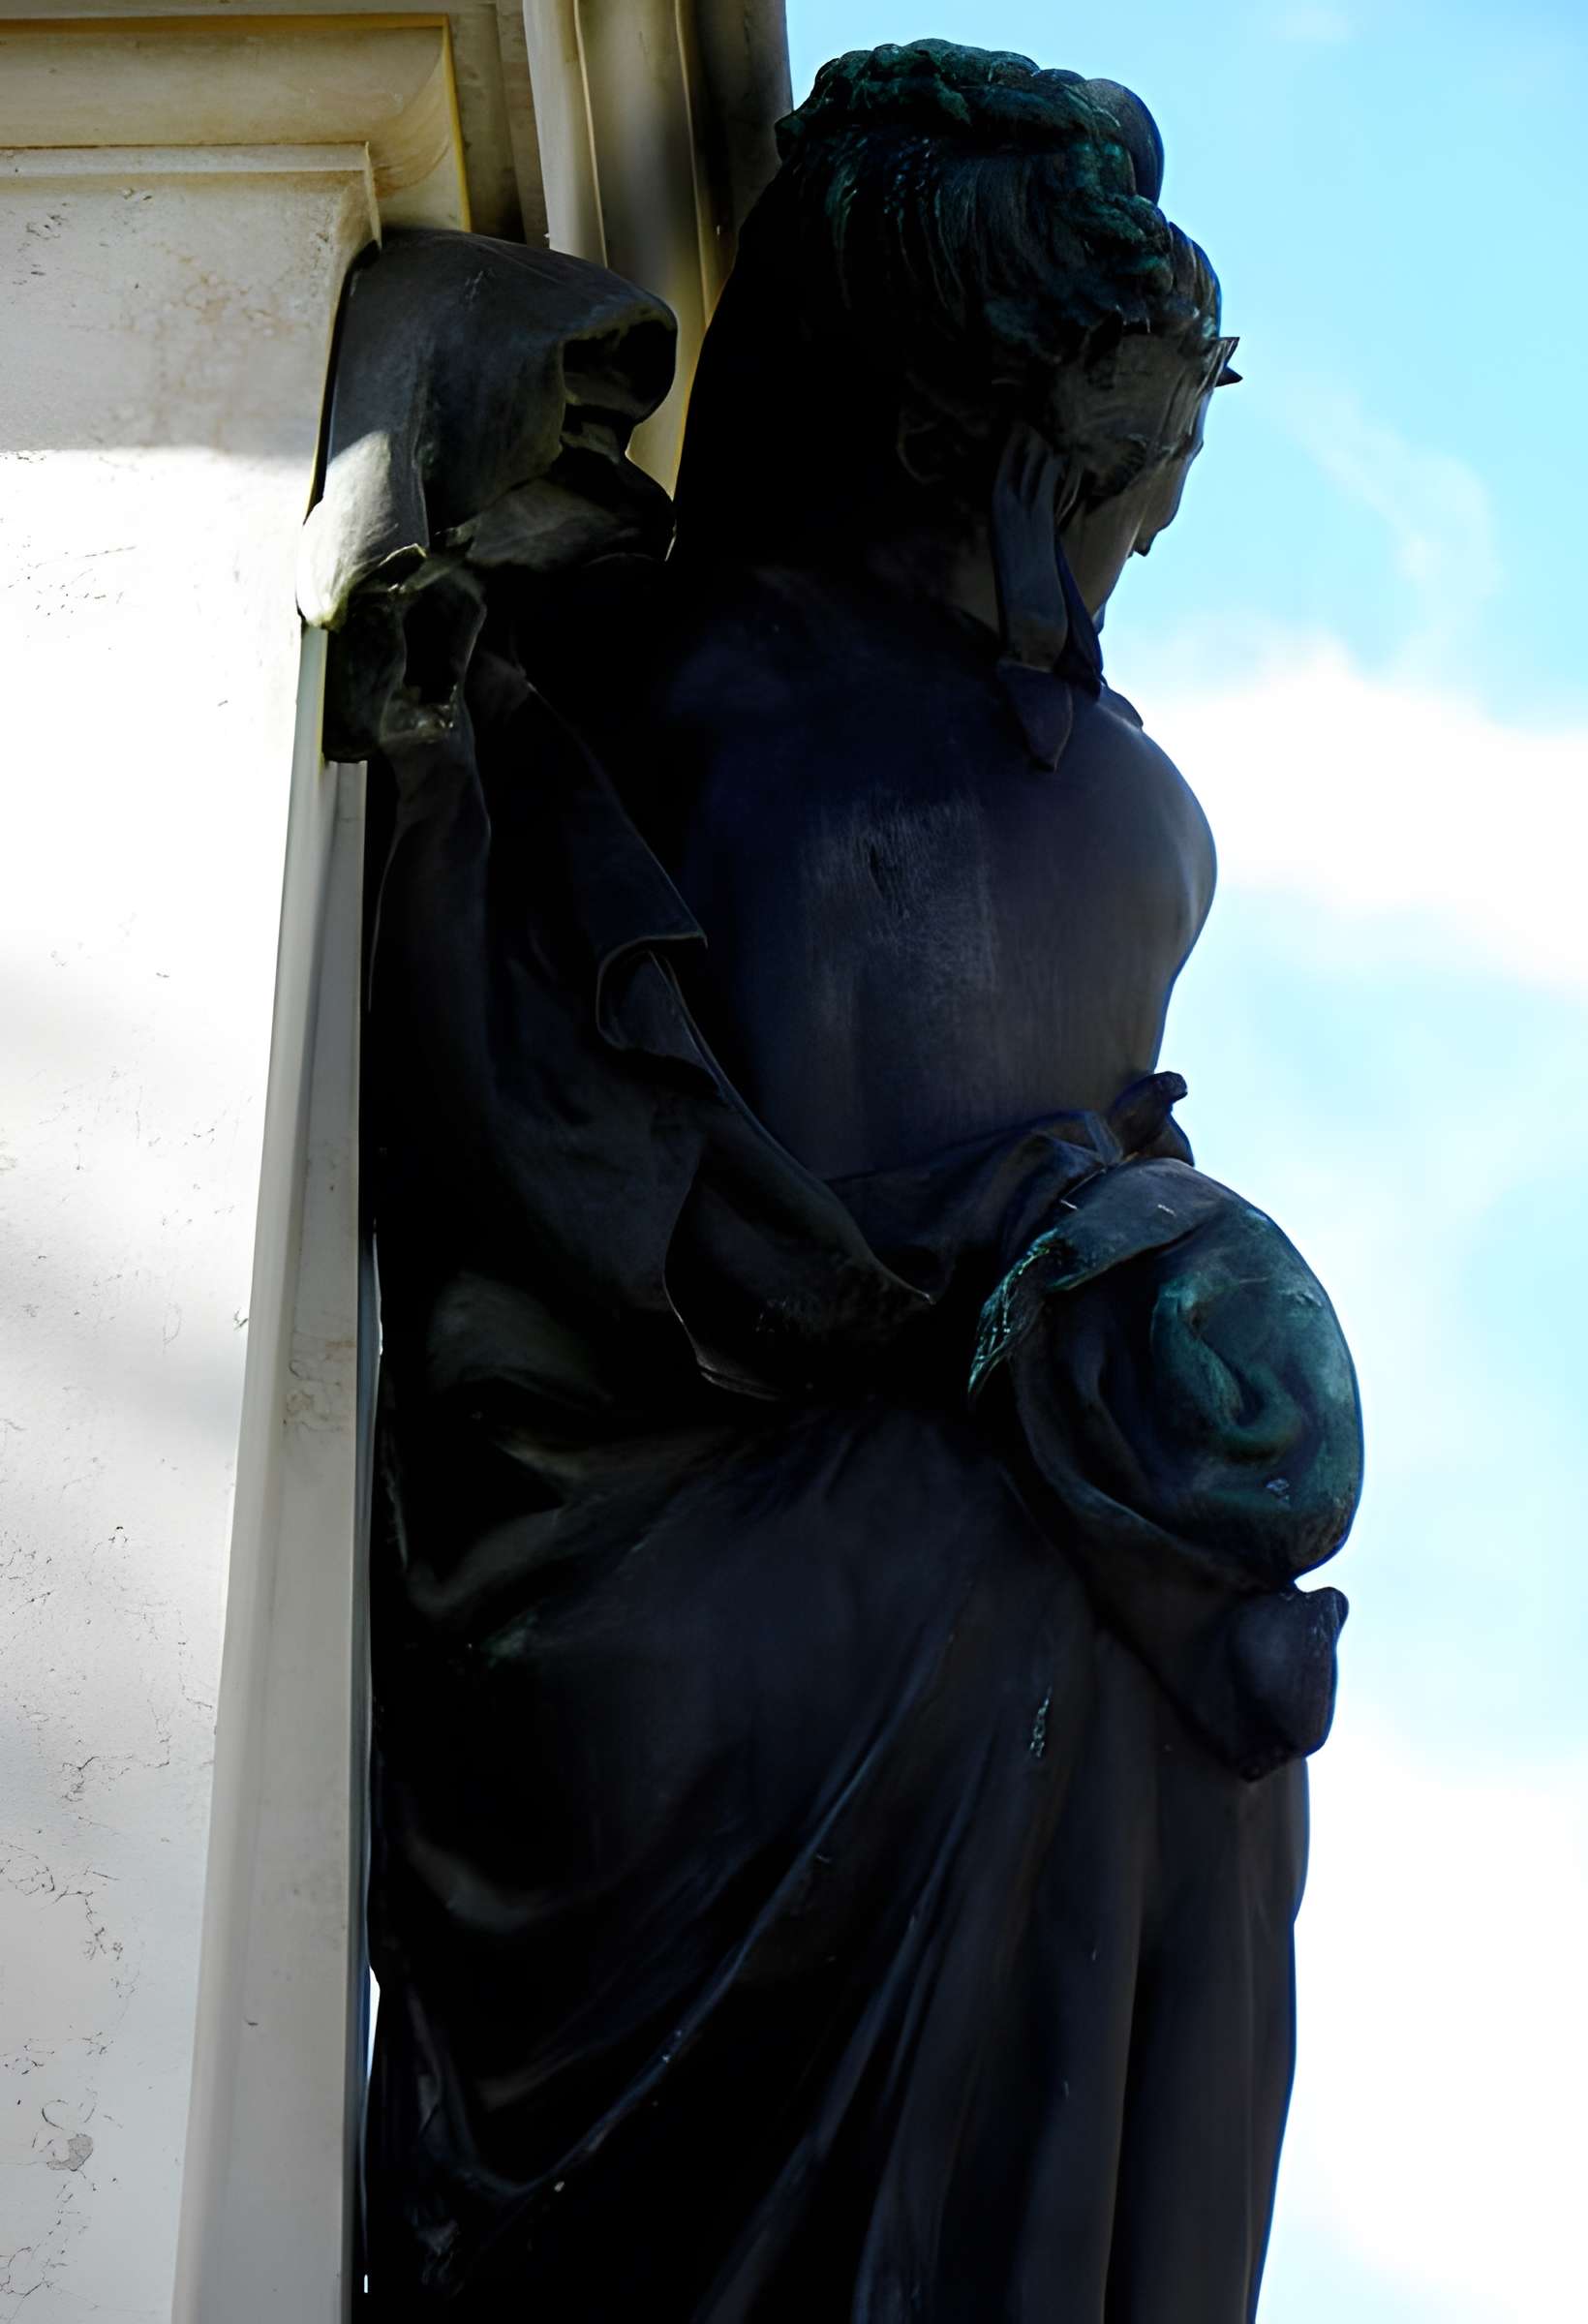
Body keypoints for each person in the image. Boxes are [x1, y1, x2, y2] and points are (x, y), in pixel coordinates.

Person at [355, 42, 1360, 2319]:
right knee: (1026, 1599)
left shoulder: (1138, 808)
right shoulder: (638, 678)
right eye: (1119, 469)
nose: (1145, 538)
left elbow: (1092, 1161)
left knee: (1179, 1707)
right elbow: (562, 1167)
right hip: (715, 1606)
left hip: (1102, 1642)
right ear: (947, 436)